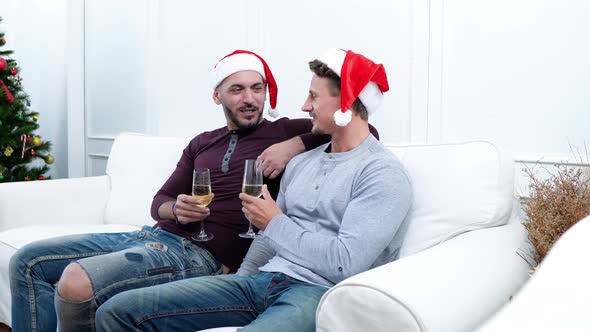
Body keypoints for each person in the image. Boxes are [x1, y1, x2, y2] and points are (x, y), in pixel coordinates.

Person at [8, 49, 378, 332]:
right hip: (152, 237)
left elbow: (363, 131)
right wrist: (177, 209)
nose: (249, 98)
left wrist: (293, 145)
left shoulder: (284, 132)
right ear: (218, 97)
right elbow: (158, 203)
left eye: (257, 88)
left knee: (75, 279)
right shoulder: (202, 142)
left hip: (199, 254)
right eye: (237, 89)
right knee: (28, 260)